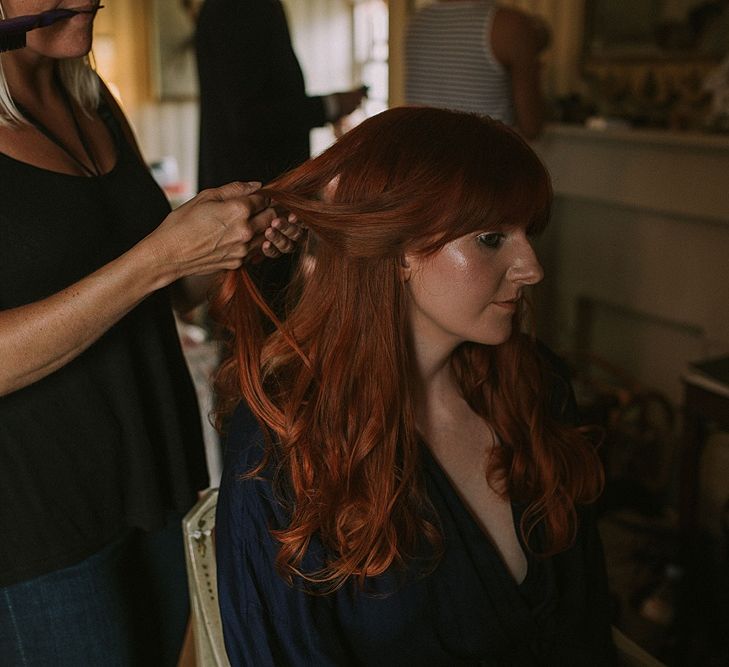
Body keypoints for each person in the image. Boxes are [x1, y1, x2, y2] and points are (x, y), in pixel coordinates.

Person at [213, 107, 617, 665]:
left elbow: (589, 617)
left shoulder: (535, 386)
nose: (531, 268)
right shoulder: (285, 439)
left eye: (530, 233)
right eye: (492, 237)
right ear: (398, 250)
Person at [0, 1, 300, 665]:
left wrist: (225, 248)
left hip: (152, 484)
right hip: (37, 524)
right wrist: (159, 255)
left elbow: (148, 298)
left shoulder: (87, 97)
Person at [405, 0, 551, 140]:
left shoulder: (417, 22)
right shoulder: (510, 24)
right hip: (482, 158)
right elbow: (531, 126)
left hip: (425, 158)